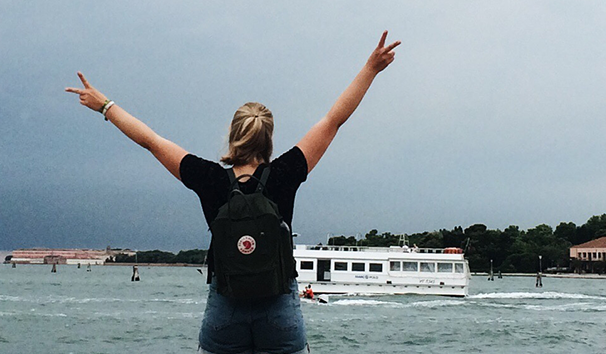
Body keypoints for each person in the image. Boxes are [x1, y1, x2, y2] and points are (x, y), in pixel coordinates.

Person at [66, 31, 401, 354]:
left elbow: (150, 141)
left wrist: (105, 105)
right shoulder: (285, 173)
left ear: (232, 134)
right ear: (269, 139)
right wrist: (370, 69)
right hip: (279, 310)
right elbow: (333, 120)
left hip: (225, 310)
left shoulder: (209, 178)